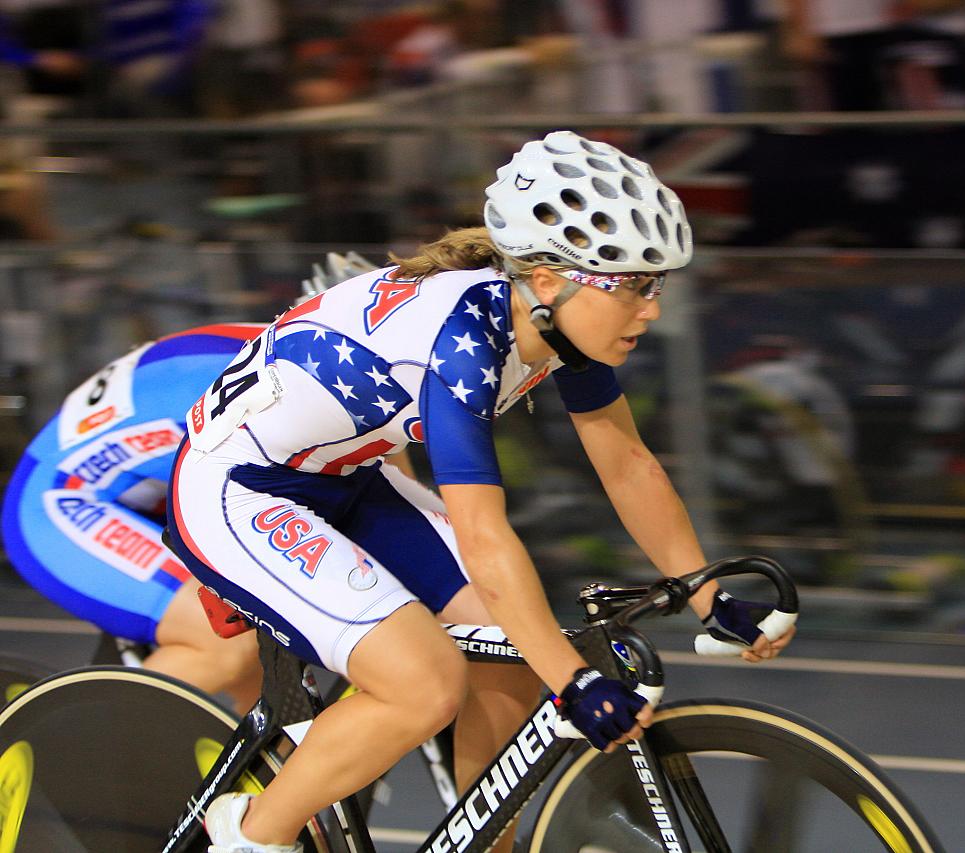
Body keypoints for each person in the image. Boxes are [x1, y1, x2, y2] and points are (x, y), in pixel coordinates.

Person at [170, 130, 795, 853]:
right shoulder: (463, 339)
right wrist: (572, 679)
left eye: (657, 284)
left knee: (508, 659)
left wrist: (703, 592)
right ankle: (250, 836)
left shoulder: (556, 325)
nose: (651, 309)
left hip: (344, 476)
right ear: (555, 278)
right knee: (425, 684)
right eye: (633, 285)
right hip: (237, 490)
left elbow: (627, 463)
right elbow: (482, 533)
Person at [0, 253, 379, 715]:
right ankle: (77, 758)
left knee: (273, 683)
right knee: (226, 645)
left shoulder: (309, 362)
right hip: (60, 501)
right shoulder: (279, 386)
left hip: (141, 489)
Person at [1, 322, 267, 712]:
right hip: (62, 501)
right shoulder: (293, 383)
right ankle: (69, 759)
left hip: (125, 490)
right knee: (225, 643)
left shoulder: (302, 341)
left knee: (266, 658)